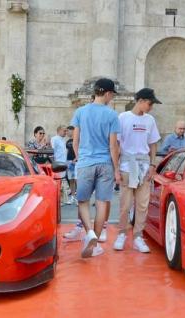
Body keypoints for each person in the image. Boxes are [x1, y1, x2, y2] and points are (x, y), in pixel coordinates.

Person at [71, 78, 121, 258]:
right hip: (105, 164)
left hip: (85, 163)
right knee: (102, 203)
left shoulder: (80, 112)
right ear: (107, 93)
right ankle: (94, 243)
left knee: (83, 201)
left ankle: (89, 233)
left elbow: (75, 141)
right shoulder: (112, 114)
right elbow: (113, 145)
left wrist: (79, 156)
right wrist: (116, 169)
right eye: (112, 94)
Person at [114, 88, 161, 253]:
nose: (151, 107)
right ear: (140, 100)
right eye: (150, 103)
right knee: (125, 204)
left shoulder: (150, 120)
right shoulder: (122, 118)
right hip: (127, 165)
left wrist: (153, 165)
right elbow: (116, 144)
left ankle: (138, 236)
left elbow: (153, 143)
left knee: (142, 205)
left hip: (144, 165)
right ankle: (121, 233)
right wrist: (116, 169)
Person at [50, 125, 69, 204]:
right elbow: (52, 151)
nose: (66, 132)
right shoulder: (54, 139)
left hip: (63, 163)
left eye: (66, 131)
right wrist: (53, 163)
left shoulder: (63, 140)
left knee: (61, 182)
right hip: (57, 164)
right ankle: (56, 200)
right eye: (64, 131)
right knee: (57, 182)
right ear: (59, 131)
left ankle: (60, 199)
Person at [65, 125, 77, 204]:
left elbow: (80, 150)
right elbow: (67, 151)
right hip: (69, 162)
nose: (66, 133)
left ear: (72, 130)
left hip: (76, 162)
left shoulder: (78, 139)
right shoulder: (68, 141)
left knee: (77, 180)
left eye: (68, 131)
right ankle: (72, 197)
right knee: (71, 180)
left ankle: (79, 198)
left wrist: (76, 159)